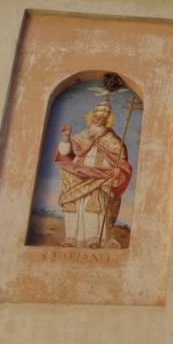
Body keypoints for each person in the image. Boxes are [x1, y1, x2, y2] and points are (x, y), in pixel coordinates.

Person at [53, 97, 132, 248]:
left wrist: (118, 170)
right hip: (76, 175)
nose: (98, 121)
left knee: (94, 207)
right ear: (91, 118)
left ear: (107, 121)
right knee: (73, 206)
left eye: (102, 119)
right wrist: (65, 137)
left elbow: (120, 160)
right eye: (96, 117)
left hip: (100, 177)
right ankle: (71, 238)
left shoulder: (113, 140)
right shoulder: (82, 136)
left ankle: (94, 238)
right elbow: (65, 152)